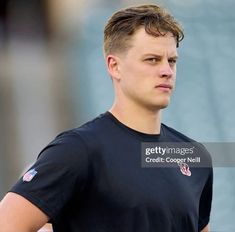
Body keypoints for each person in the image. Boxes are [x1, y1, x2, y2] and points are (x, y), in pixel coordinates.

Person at [0, 4, 213, 232]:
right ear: (114, 66)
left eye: (171, 61)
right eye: (152, 59)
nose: (166, 71)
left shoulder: (192, 155)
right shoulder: (79, 150)